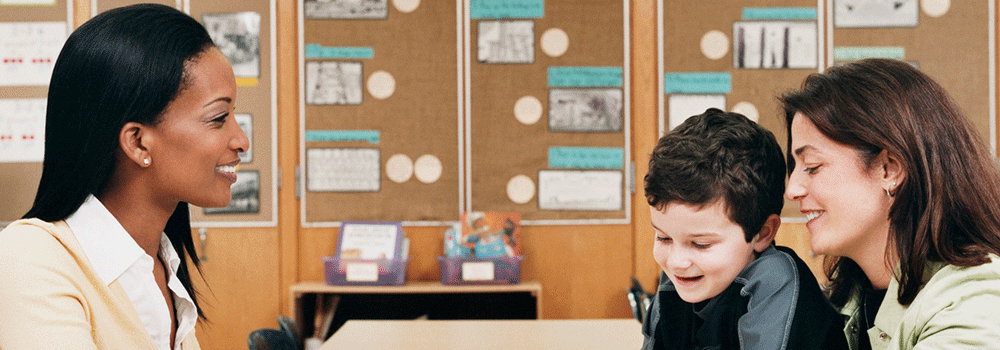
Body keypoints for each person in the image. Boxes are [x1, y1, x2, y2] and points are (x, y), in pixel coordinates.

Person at [0, 4, 248, 350]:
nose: (241, 141)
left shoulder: (162, 261)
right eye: (218, 117)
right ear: (137, 142)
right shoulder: (31, 257)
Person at [781, 58, 1000, 349]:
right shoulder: (848, 301)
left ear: (890, 170)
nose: (792, 190)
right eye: (793, 167)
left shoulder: (974, 301)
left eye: (812, 166)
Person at [641, 108, 846, 350]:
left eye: (701, 244)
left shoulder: (774, 280)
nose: (676, 261)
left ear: (763, 233)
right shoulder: (679, 280)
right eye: (664, 238)